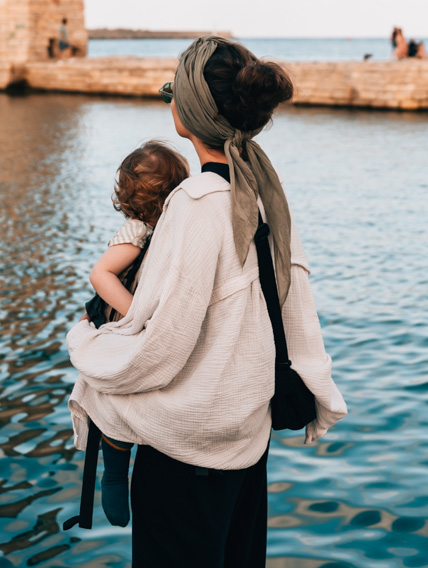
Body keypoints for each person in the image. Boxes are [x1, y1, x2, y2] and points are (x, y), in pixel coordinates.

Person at [66, 37, 347, 567]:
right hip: (246, 438)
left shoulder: (195, 202)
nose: (168, 99)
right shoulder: (262, 193)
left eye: (172, 90)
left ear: (191, 110)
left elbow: (160, 345)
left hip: (188, 452)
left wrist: (84, 339)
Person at [82, 141, 190, 526]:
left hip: (134, 314)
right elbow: (101, 275)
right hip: (120, 314)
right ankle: (114, 473)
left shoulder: (175, 230)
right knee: (117, 396)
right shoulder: (138, 229)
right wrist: (137, 316)